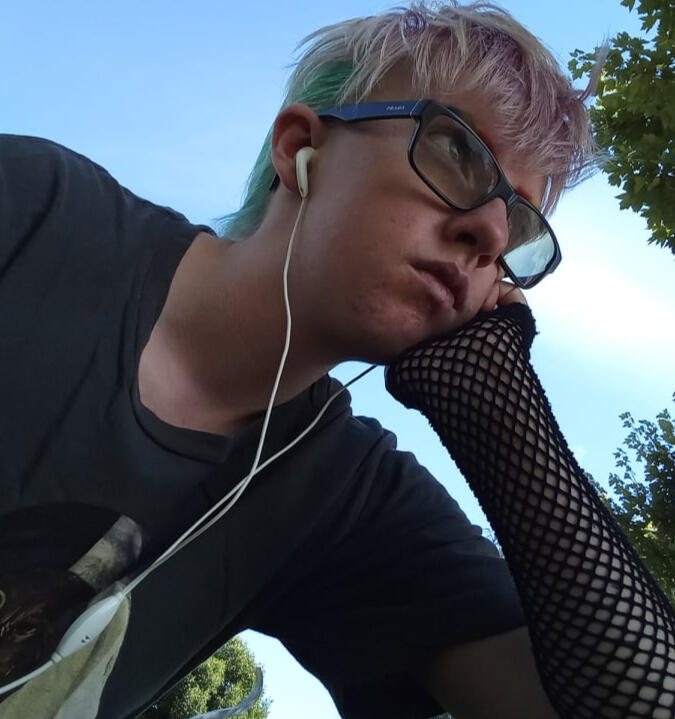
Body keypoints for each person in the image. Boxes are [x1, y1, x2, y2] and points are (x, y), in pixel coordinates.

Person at [1, 2, 673, 718]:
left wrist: (500, 408)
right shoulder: (33, 210)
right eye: (456, 149)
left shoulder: (347, 498)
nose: (488, 231)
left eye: (521, 226)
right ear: (299, 149)